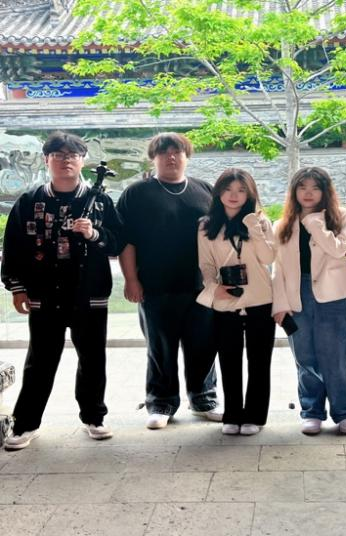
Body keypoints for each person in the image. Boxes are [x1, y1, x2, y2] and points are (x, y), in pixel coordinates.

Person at [1, 131, 122, 450]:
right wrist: (17, 288)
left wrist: (94, 233)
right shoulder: (29, 201)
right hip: (44, 293)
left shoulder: (100, 202)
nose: (65, 160)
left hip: (89, 293)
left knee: (93, 359)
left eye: (72, 155)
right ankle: (25, 423)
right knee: (39, 361)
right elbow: (13, 247)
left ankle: (94, 417)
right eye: (58, 155)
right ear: (47, 160)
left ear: (83, 160)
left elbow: (118, 242)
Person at [117, 132, 220, 429]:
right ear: (154, 158)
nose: (171, 157)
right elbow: (126, 242)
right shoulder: (136, 193)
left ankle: (204, 400)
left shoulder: (205, 190)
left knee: (203, 346)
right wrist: (131, 279)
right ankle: (161, 403)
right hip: (155, 286)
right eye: (164, 152)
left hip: (201, 286)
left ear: (187, 157)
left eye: (177, 152)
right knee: (160, 349)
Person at [272, 167, 346, 435]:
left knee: (337, 356)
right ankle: (312, 412)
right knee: (305, 357)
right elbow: (278, 268)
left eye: (315, 187)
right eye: (302, 187)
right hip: (296, 295)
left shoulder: (340, 216)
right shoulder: (282, 225)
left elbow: (338, 249)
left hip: (332, 296)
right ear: (294, 192)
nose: (308, 193)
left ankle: (345, 413)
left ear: (325, 191)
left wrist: (315, 224)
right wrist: (279, 304)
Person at [197, 168, 276, 435]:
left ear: (250, 194)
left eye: (241, 190)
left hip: (260, 300)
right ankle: (232, 414)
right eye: (228, 189)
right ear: (218, 193)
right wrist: (214, 288)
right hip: (226, 301)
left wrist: (253, 226)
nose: (234, 195)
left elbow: (268, 258)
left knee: (259, 361)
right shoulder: (206, 225)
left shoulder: (261, 221)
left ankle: (255, 416)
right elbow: (206, 264)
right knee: (229, 360)